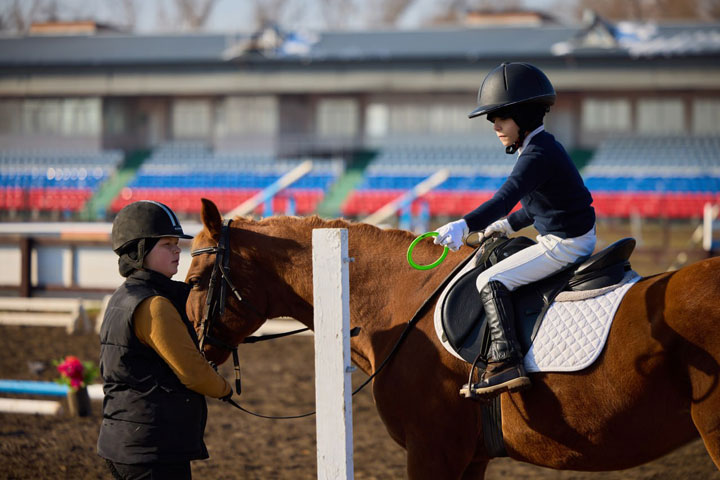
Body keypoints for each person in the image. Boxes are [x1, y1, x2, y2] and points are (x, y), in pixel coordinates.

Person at [434, 62, 597, 398]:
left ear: (523, 117)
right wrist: (506, 225)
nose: (495, 126)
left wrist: (465, 223)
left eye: (501, 118)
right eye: (493, 119)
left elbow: (505, 197)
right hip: (569, 234)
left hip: (565, 244)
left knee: (488, 280)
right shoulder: (541, 147)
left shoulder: (536, 154)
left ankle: (506, 361)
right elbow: (540, 205)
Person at [97, 200, 233, 480]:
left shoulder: (123, 296)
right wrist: (223, 389)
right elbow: (193, 372)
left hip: (129, 442)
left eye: (176, 243)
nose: (177, 250)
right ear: (139, 251)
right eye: (166, 244)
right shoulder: (153, 305)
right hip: (150, 449)